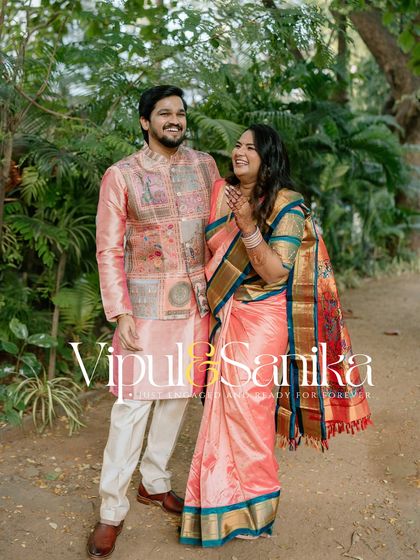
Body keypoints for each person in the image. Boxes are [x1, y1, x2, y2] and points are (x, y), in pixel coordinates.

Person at [179, 124, 372, 547]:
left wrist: (249, 226)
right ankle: (220, 505)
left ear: (269, 157)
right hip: (226, 313)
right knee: (223, 410)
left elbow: (274, 273)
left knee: (249, 407)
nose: (240, 151)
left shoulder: (286, 204)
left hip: (263, 319)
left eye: (251, 147)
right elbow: (209, 250)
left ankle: (257, 509)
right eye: (238, 145)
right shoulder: (222, 192)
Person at [87, 85, 219, 558]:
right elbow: (107, 249)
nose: (174, 120)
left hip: (196, 307)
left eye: (180, 113)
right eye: (164, 113)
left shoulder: (205, 166)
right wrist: (120, 311)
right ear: (146, 122)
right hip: (143, 310)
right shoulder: (121, 175)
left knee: (178, 397)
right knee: (132, 407)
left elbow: (220, 231)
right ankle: (111, 511)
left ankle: (155, 482)